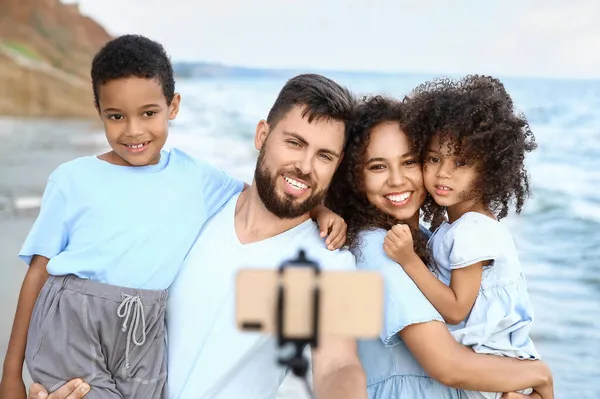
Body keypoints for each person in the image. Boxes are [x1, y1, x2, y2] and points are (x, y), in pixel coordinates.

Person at [0, 36, 345, 399]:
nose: (133, 130)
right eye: (116, 116)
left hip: (144, 334)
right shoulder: (71, 180)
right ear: (99, 110)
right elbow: (38, 272)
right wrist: (10, 376)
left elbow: (266, 190)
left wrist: (319, 208)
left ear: (173, 106)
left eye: (149, 113)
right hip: (74, 320)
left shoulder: (196, 177)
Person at [326, 95, 554, 399]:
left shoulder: (426, 238)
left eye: (409, 162)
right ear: (355, 178)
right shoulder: (376, 245)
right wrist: (539, 374)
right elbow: (447, 365)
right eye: (378, 166)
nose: (397, 179)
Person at [384, 75, 540, 399]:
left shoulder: (473, 231)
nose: (444, 173)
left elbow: (456, 309)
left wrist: (409, 260)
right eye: (434, 158)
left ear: (490, 170)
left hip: (496, 373)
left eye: (462, 162)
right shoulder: (455, 227)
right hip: (491, 369)